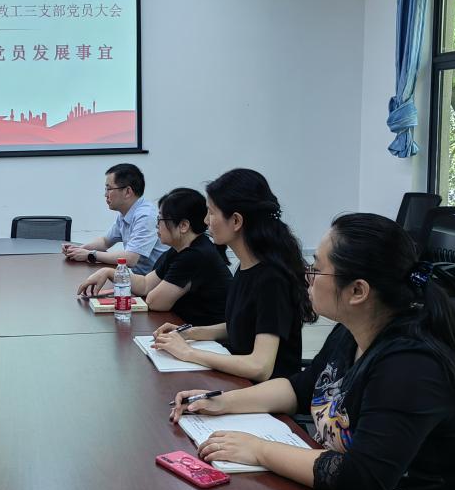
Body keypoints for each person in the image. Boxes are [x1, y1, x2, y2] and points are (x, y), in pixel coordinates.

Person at [169, 213, 455, 490]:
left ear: (358, 291)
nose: (307, 275)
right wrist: (222, 402)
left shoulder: (411, 365)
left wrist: (260, 450)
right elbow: (302, 388)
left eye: (317, 269)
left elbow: (362, 478)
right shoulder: (353, 331)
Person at [153, 168, 312, 381]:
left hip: (263, 394)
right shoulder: (247, 266)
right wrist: (189, 333)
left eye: (211, 213)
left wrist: (188, 352)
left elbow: (260, 366)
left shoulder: (272, 279)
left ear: (236, 221)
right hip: (239, 382)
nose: (206, 221)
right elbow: (242, 326)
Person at [77, 188, 231, 324]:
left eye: (161, 219)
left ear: (183, 226)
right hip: (184, 327)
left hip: (209, 339)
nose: (157, 225)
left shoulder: (195, 255)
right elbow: (145, 284)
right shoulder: (179, 249)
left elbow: (154, 302)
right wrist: (109, 272)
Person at [62, 163, 168, 275]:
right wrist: (78, 249)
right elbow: (105, 241)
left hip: (157, 282)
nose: (105, 194)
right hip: (141, 278)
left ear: (127, 192)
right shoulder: (126, 212)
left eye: (109, 189)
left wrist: (90, 254)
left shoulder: (146, 216)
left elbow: (131, 258)